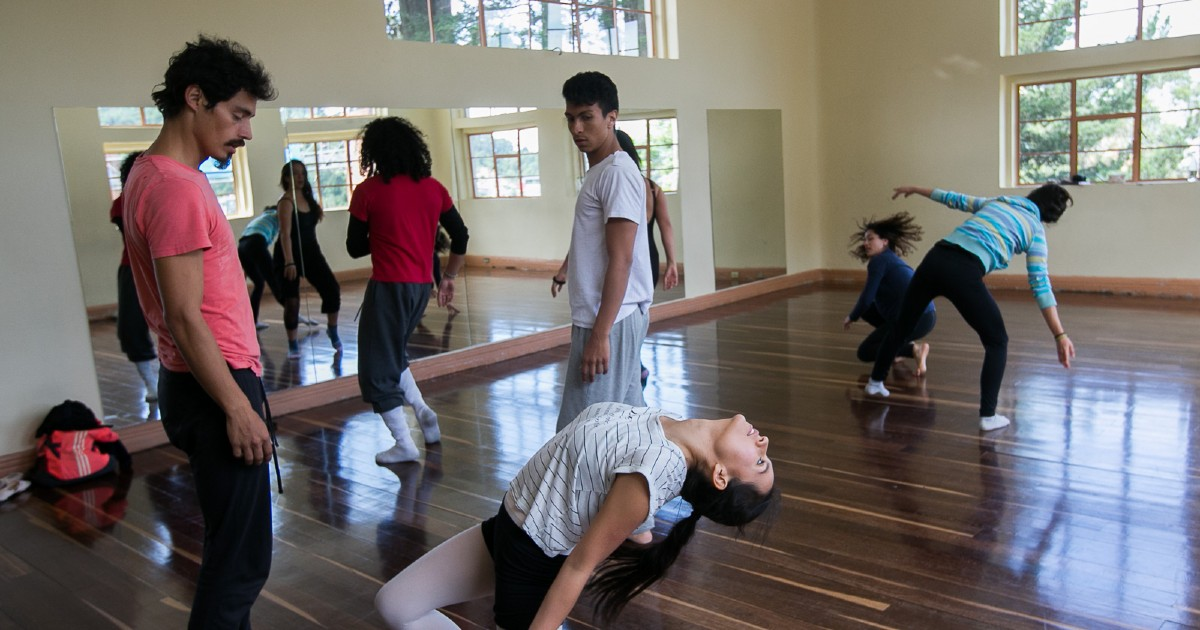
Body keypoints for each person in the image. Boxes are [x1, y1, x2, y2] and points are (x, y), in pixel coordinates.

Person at [121, 36, 277, 627]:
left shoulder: (148, 173)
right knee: (240, 565)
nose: (246, 132)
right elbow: (184, 315)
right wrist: (237, 407)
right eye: (237, 115)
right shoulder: (176, 187)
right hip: (216, 386)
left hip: (196, 382)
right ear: (194, 98)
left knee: (232, 552)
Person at [375, 401, 777, 630]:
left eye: (760, 462)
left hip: (534, 560)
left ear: (721, 476)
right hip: (507, 529)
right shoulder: (665, 421)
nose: (764, 442)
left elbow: (580, 565)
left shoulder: (660, 466)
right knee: (395, 604)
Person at [866, 185, 1076, 432]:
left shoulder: (999, 202)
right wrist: (1059, 334)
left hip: (935, 258)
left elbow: (954, 199)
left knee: (902, 325)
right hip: (963, 271)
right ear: (1051, 217)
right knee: (997, 341)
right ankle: (988, 415)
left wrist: (916, 189)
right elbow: (1040, 284)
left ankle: (875, 382)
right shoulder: (1036, 232)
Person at [347, 116, 469, 464]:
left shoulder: (368, 191)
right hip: (420, 289)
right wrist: (449, 277)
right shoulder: (433, 188)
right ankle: (421, 409)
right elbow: (460, 236)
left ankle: (404, 443)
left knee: (375, 369)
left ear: (374, 152)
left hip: (387, 288)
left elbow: (354, 248)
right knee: (393, 355)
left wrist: (384, 233)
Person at [550, 71, 654, 432]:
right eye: (570, 119)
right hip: (614, 316)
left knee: (579, 435)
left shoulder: (617, 173)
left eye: (586, 117)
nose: (576, 128)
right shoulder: (602, 171)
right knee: (633, 429)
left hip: (610, 318)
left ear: (611, 118)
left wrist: (599, 334)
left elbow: (621, 259)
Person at [613, 129, 678, 387]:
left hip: (627, 257)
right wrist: (671, 262)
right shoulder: (652, 187)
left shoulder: (623, 184)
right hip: (650, 257)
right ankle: (635, 364)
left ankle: (634, 365)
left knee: (622, 312)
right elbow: (666, 226)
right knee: (638, 310)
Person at [843, 212, 936, 375]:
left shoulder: (879, 261)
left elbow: (867, 298)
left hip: (918, 319)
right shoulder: (888, 258)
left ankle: (913, 349)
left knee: (864, 352)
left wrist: (852, 317)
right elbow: (868, 303)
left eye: (870, 239)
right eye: (865, 240)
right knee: (868, 311)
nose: (865, 243)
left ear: (884, 241)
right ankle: (900, 345)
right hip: (925, 316)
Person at [274, 159, 342, 359]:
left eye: (303, 173)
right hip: (288, 255)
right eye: (295, 173)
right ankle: (293, 344)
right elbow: (285, 234)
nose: (300, 177)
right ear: (287, 178)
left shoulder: (308, 198)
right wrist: (289, 261)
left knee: (332, 289)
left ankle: (332, 330)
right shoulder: (286, 202)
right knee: (292, 302)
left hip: (311, 252)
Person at [108, 150, 158, 401]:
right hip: (133, 268)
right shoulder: (122, 203)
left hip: (168, 265)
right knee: (130, 328)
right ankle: (152, 383)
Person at [237, 205, 282, 331]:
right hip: (256, 242)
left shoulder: (261, 218)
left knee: (259, 284)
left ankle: (253, 322)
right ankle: (293, 313)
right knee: (274, 280)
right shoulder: (276, 215)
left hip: (242, 246)